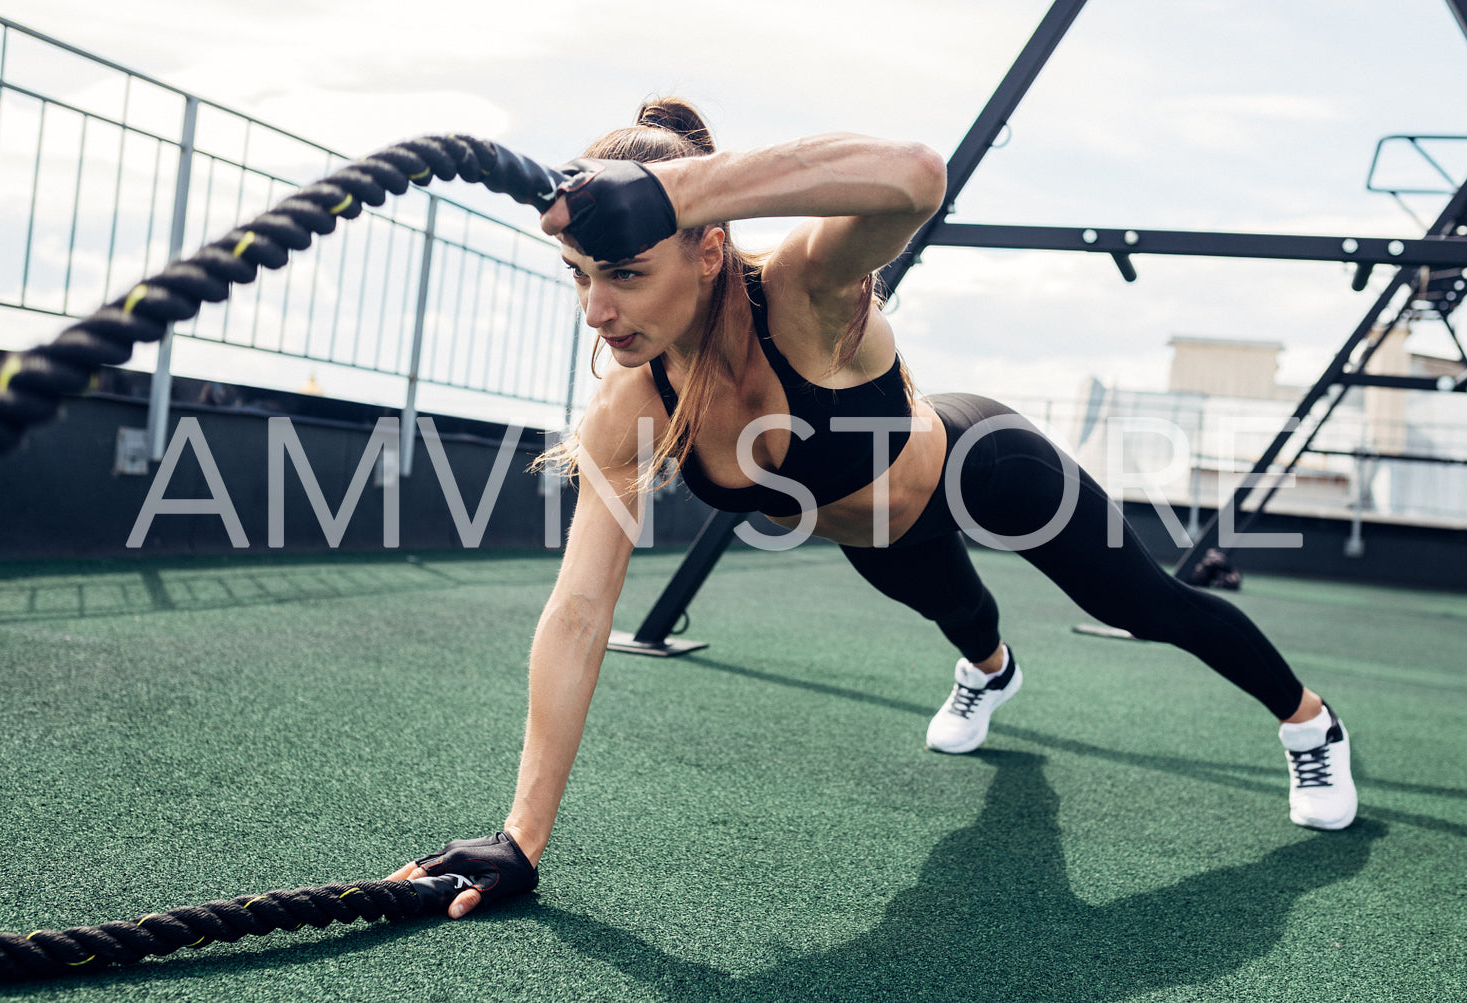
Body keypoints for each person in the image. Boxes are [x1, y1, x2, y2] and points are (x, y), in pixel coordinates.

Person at [387, 99, 1358, 917]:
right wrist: (521, 836)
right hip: (877, 535)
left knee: (1144, 605)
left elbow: (914, 176)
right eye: (582, 276)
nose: (596, 311)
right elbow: (579, 610)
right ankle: (989, 672)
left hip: (985, 466)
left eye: (625, 272)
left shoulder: (803, 296)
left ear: (708, 247)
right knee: (965, 624)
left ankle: (1309, 724)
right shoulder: (629, 406)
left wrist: (677, 189)